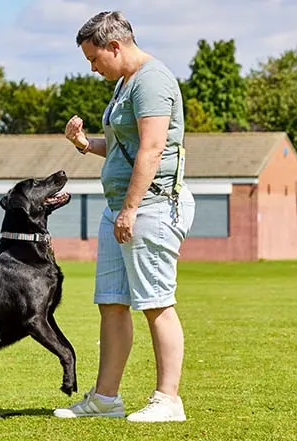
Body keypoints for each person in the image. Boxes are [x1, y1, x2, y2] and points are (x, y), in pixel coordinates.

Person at [52, 11, 195, 423]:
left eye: (94, 59)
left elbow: (151, 150)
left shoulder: (152, 81)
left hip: (148, 207)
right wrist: (83, 144)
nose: (93, 68)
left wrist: (131, 208)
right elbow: (122, 148)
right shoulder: (124, 84)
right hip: (121, 208)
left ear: (116, 46)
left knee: (156, 303)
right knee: (112, 303)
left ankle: (168, 400)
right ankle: (106, 399)